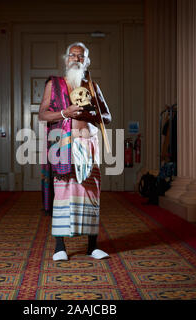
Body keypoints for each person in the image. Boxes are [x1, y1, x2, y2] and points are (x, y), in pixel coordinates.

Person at [39, 42, 112, 261]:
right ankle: (59, 247)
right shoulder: (54, 84)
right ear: (66, 59)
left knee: (90, 194)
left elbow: (107, 117)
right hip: (63, 145)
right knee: (63, 195)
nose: (76, 59)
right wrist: (65, 112)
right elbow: (42, 115)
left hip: (89, 145)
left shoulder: (92, 86)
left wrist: (89, 116)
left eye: (81, 56)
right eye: (73, 55)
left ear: (86, 61)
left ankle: (92, 246)